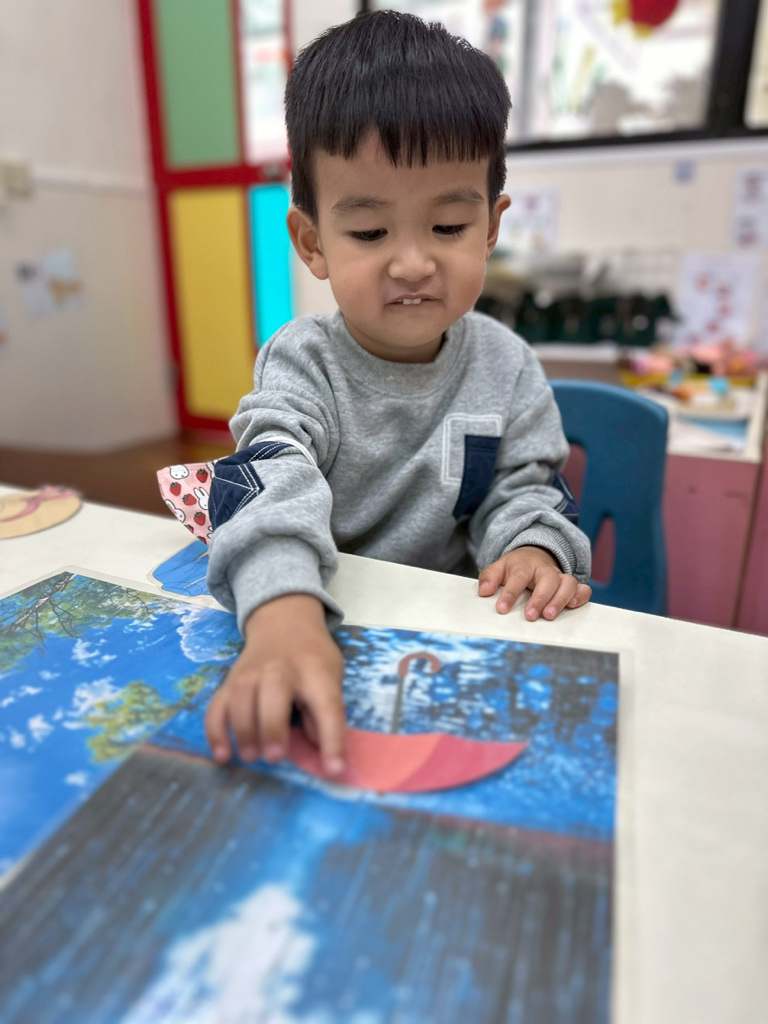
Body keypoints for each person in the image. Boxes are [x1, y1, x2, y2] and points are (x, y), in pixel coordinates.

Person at [203, 10, 592, 776]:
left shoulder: (508, 365)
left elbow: (524, 488)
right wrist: (281, 612)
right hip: (316, 615)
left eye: (447, 226)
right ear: (312, 242)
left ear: (490, 228)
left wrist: (531, 547)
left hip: (448, 637)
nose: (413, 263)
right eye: (370, 233)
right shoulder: (302, 361)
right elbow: (268, 477)